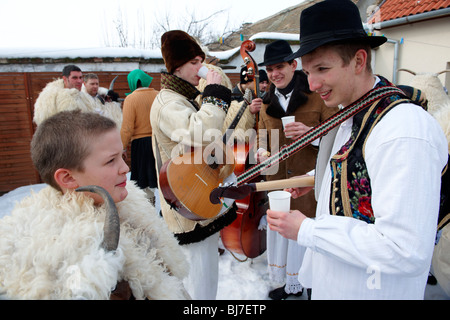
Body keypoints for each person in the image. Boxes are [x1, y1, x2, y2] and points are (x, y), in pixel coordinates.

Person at [266, 0, 448, 299]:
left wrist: (307, 231)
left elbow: (405, 249)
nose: (312, 84)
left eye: (323, 69)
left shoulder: (403, 130)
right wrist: (317, 180)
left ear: (359, 61)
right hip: (336, 283)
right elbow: (357, 170)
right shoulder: (352, 113)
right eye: (309, 71)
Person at [0, 110, 189, 299]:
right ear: (68, 178)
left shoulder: (130, 201)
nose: (125, 168)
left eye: (122, 156)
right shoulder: (72, 256)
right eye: (110, 161)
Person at [150, 30, 258, 300]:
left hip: (194, 196)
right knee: (200, 283)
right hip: (186, 205)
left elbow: (202, 146)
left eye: (201, 61)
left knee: (205, 276)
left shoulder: (184, 97)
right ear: (177, 67)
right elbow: (201, 133)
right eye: (195, 63)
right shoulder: (167, 103)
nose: (202, 68)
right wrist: (215, 94)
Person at [256, 39, 338, 300]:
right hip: (278, 184)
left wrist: (311, 134)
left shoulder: (319, 97)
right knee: (282, 236)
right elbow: (261, 135)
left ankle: (312, 285)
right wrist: (261, 152)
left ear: (294, 64)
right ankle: (286, 282)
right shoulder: (267, 101)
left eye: (279, 66)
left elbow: (337, 138)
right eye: (269, 70)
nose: (274, 74)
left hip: (308, 185)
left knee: (308, 238)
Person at [120, 69, 160, 212]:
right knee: (162, 178)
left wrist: (122, 148)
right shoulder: (158, 95)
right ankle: (168, 212)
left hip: (141, 145)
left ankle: (150, 210)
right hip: (159, 142)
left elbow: (127, 127)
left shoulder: (131, 99)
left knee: (144, 183)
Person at [33, 65, 122, 128]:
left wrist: (108, 100)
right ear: (65, 79)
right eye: (75, 78)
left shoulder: (82, 96)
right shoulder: (54, 97)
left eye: (80, 77)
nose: (79, 81)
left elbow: (94, 113)